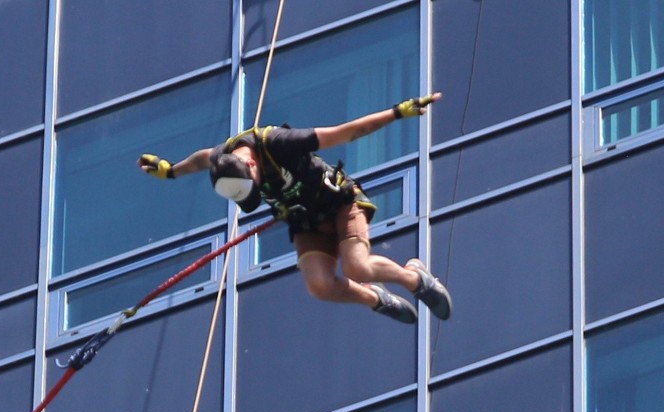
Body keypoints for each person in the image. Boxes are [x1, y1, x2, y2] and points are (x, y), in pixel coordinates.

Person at [137, 93, 451, 324]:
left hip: (339, 202)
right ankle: (375, 298)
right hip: (306, 221)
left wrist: (396, 113)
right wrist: (171, 171)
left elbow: (345, 132)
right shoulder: (223, 158)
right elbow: (200, 158)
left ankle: (416, 278)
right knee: (319, 285)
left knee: (357, 266)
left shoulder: (278, 143)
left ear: (250, 163)